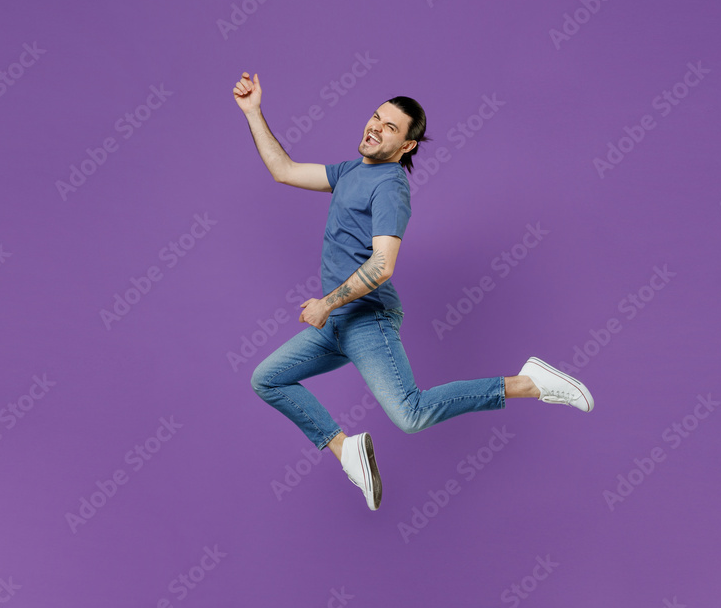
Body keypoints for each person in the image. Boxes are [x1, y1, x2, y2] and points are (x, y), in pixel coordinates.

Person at [233, 71, 594, 511]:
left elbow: (383, 265)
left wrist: (327, 302)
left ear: (407, 147)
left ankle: (529, 382)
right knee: (267, 379)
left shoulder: (390, 187)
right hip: (337, 321)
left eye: (390, 128)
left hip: (366, 318)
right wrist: (253, 111)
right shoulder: (349, 172)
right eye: (375, 117)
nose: (375, 127)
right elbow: (284, 170)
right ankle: (345, 449)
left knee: (412, 414)